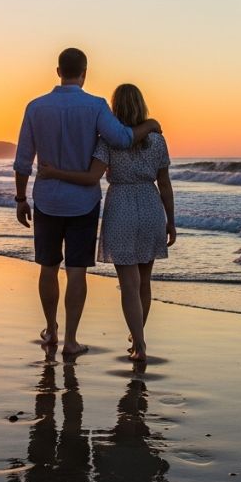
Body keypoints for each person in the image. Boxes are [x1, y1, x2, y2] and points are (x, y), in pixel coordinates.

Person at [13, 48, 161, 357]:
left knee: (48, 266)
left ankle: (51, 328)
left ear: (58, 71)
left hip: (47, 199)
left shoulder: (35, 107)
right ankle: (71, 340)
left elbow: (23, 160)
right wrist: (148, 125)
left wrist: (20, 198)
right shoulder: (95, 106)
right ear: (85, 72)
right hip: (82, 202)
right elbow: (121, 139)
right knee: (76, 270)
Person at [38, 84, 175, 363]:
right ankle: (138, 337)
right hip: (150, 204)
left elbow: (91, 178)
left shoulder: (107, 141)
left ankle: (139, 343)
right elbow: (164, 183)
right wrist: (170, 220)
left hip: (121, 204)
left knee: (129, 283)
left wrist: (54, 173)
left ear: (115, 108)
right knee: (144, 280)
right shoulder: (158, 141)